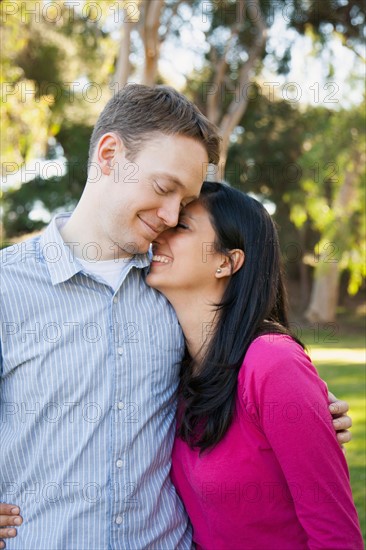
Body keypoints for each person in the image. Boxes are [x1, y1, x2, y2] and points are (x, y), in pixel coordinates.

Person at [0, 86, 352, 549]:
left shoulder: (177, 283)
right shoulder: (8, 289)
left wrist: (307, 414)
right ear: (109, 155)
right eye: (164, 189)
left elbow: (246, 363)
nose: (169, 217)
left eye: (184, 206)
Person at [145, 181, 363, 549]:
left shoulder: (272, 363)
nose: (160, 232)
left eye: (182, 226)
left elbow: (336, 535)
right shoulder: (182, 371)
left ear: (226, 262)